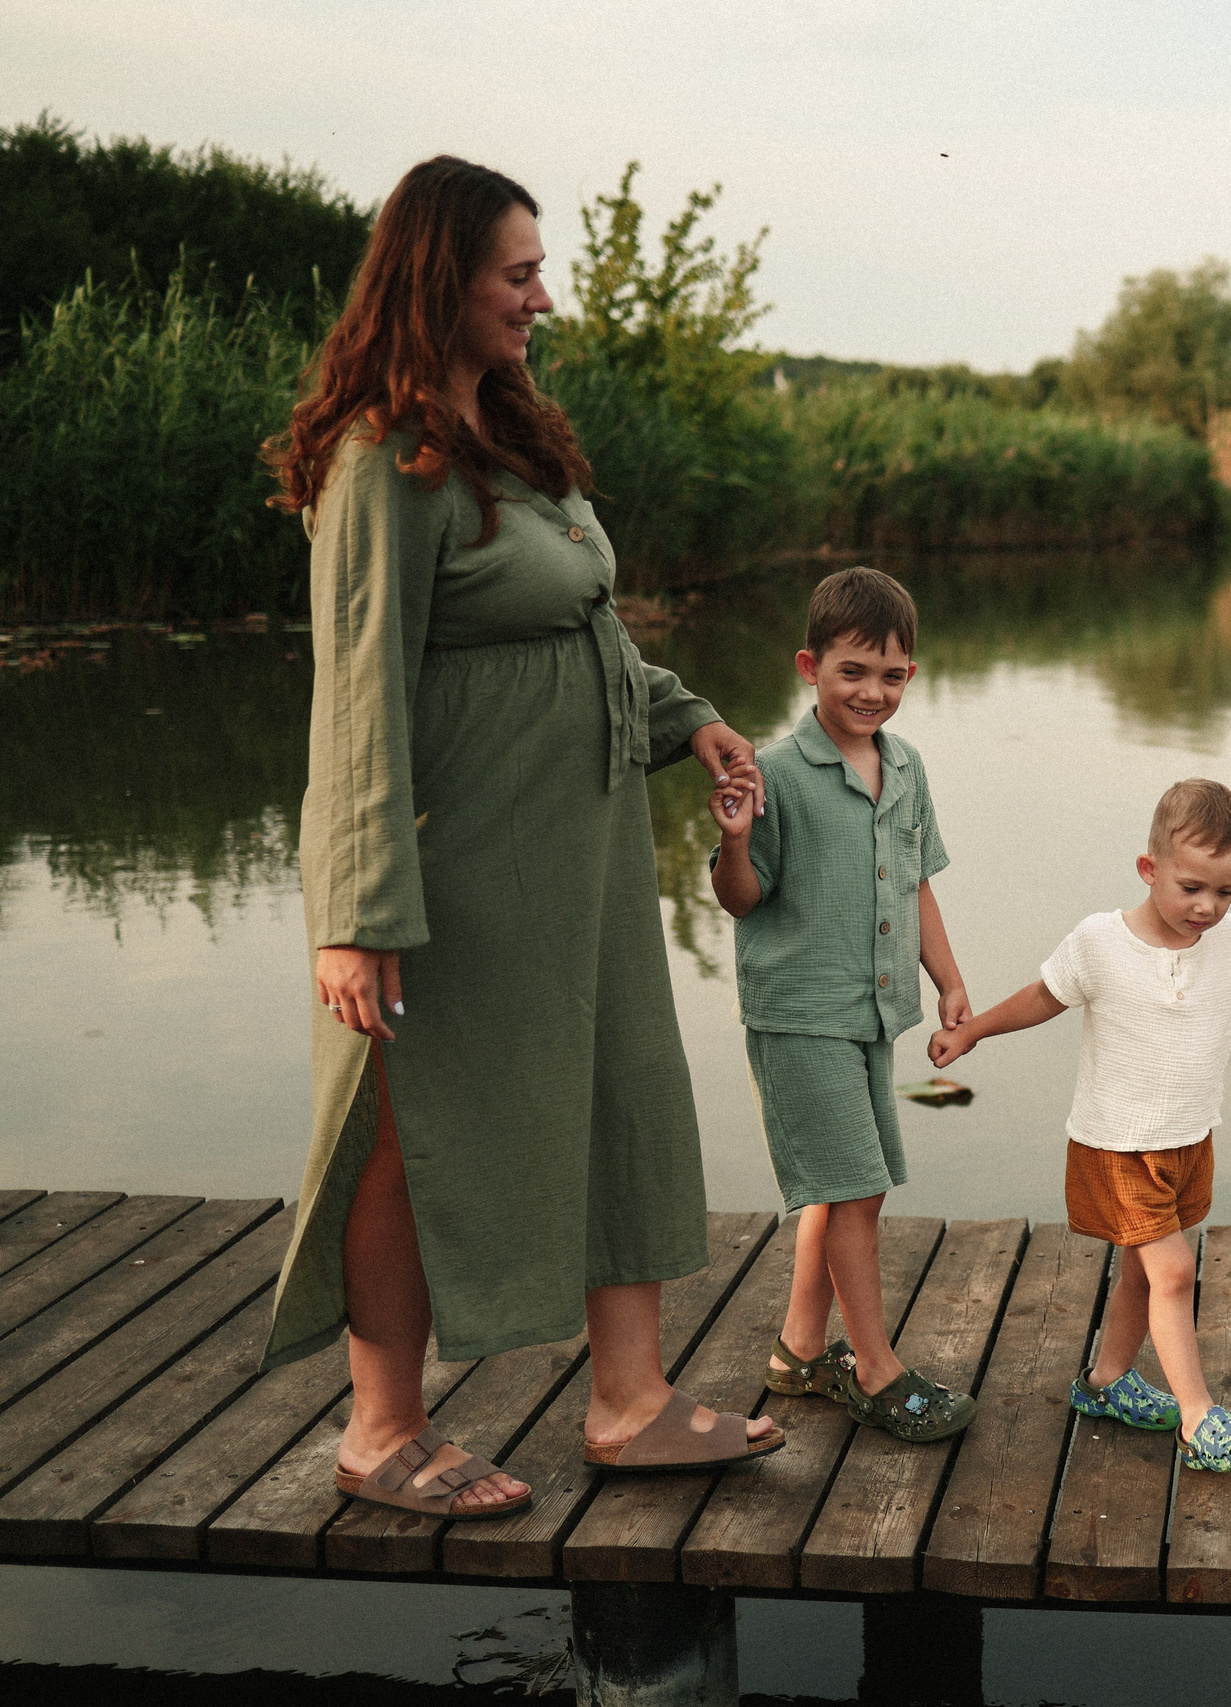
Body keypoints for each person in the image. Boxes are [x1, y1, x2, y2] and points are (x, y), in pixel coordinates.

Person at [263, 155, 783, 1518]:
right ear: (443, 278)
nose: (541, 296)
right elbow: (356, 693)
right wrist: (355, 911)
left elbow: (582, 625)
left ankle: (631, 1400)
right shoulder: (381, 461)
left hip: (584, 859)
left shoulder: (510, 433)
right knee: (404, 1125)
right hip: (453, 864)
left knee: (621, 1090)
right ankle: (381, 1430)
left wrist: (691, 720)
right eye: (518, 273)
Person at [927, 780, 1231, 1470]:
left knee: (1144, 1276)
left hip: (1187, 1140)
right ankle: (1198, 1418)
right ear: (1149, 869)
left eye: (1226, 890)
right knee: (1174, 1270)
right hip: (1118, 1147)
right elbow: (1043, 996)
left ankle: (1106, 1381)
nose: (1208, 907)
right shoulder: (1100, 941)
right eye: (1191, 888)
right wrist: (974, 1033)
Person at [710, 565, 978, 1442]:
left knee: (844, 1187)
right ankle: (875, 1367)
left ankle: (796, 1352)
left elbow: (918, 884)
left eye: (892, 674)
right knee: (856, 1188)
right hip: (798, 1014)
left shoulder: (906, 767)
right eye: (852, 671)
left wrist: (948, 980)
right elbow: (742, 898)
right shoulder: (775, 771)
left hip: (873, 1015)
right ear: (809, 667)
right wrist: (735, 839)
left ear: (911, 675)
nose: (873, 691)